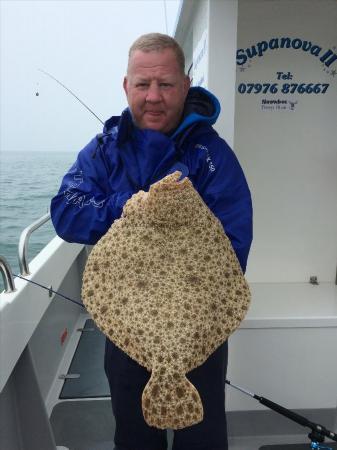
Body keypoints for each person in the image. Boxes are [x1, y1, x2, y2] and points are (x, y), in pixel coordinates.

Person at [51, 33, 253, 450]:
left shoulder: (211, 156)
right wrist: (130, 208)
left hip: (197, 329)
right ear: (127, 86)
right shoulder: (105, 150)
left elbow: (233, 245)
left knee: (203, 435)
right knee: (132, 433)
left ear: (186, 83)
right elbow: (67, 211)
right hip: (127, 324)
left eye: (165, 84)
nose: (154, 96)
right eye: (143, 85)